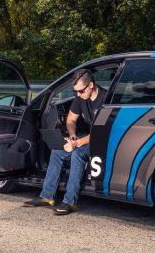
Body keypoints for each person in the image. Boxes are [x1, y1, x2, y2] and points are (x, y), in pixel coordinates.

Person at [23, 68, 105, 215]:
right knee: (57, 151)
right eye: (76, 92)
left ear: (91, 85)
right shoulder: (80, 98)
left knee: (77, 154)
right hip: (85, 138)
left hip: (102, 140)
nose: (78, 95)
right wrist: (73, 135)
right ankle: (47, 196)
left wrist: (78, 143)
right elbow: (71, 120)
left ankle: (70, 202)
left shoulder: (105, 99)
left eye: (81, 91)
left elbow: (101, 133)